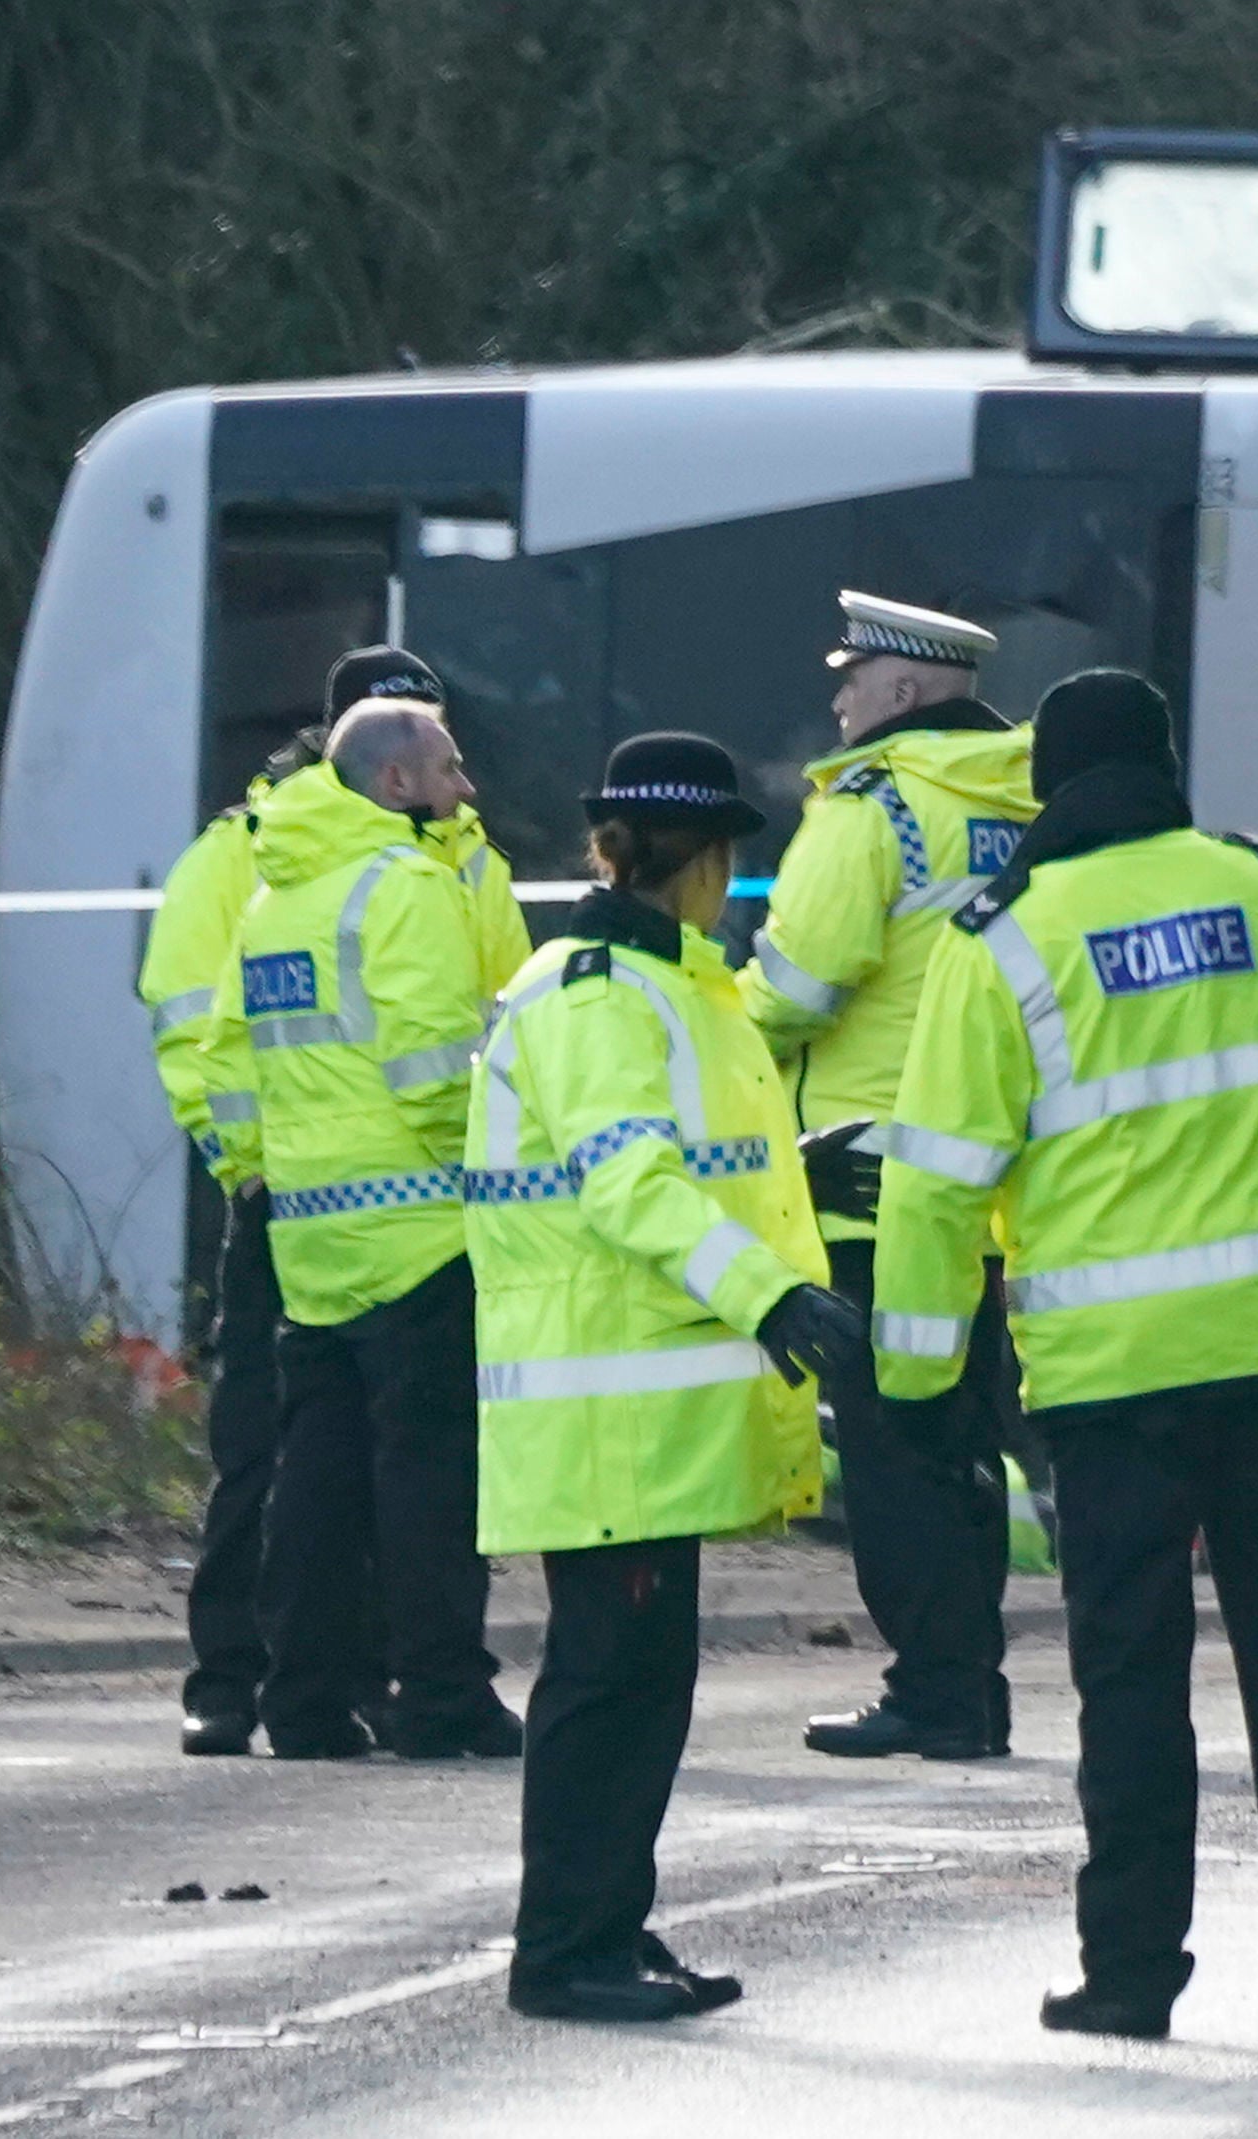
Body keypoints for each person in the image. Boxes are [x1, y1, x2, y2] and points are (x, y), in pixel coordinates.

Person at [869, 669, 1258, 2044]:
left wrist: (921, 1383)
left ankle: (1129, 1975)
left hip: (1113, 1381)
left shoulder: (1001, 941)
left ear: (1047, 788)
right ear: (1166, 761)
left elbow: (937, 1182)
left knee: (1130, 1679)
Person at [468, 731, 865, 2023]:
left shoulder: (675, 989)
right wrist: (776, 1293)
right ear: (701, 864)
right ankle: (566, 1947)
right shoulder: (594, 993)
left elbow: (686, 1159)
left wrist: (808, 1166)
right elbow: (630, 1182)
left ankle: (606, 1930)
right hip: (610, 1409)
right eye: (730, 864)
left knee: (640, 1683)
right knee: (606, 1683)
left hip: (647, 1405)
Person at [144, 645, 528, 1758]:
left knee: (308, 1481)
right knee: (426, 1481)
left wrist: (256, 1168)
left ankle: (300, 1696)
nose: (466, 784)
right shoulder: (402, 885)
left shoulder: (280, 892)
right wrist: (499, 1160)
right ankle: (441, 1693)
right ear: (398, 780)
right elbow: (431, 1069)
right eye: (450, 764)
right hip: (416, 1232)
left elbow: (227, 1051)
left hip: (309, 1239)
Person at [739, 592, 1041, 1765]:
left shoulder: (873, 810)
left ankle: (936, 1688)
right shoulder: (1030, 803)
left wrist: (707, 1042)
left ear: (907, 690)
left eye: (853, 675)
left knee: (891, 1445)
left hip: (868, 1176)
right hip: (994, 1179)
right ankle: (970, 1687)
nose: (839, 696)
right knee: (963, 1432)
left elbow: (799, 988)